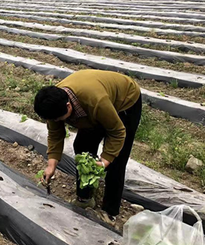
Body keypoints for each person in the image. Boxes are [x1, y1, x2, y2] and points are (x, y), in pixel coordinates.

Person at [33, 70, 142, 224]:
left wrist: (105, 161)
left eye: (59, 119)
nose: (56, 122)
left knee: (117, 160)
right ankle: (85, 198)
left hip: (125, 101)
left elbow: (117, 132)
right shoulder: (53, 106)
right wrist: (51, 165)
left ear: (69, 107)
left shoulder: (96, 101)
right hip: (90, 104)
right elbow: (55, 134)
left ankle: (110, 211)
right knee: (82, 146)